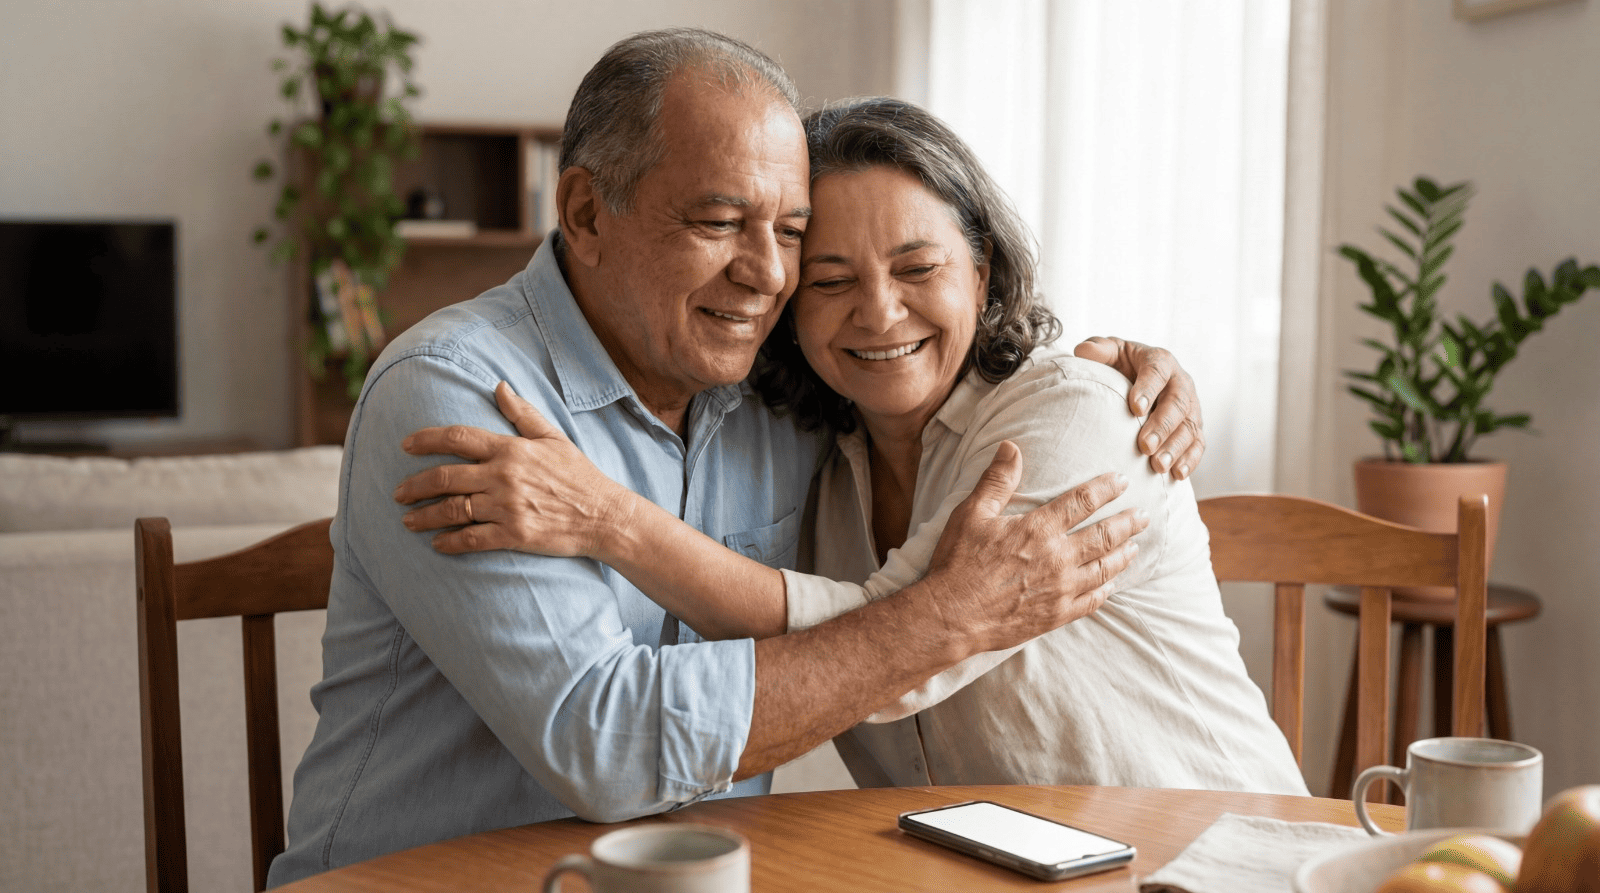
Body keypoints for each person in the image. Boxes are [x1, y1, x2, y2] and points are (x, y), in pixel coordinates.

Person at [269, 29, 1200, 886]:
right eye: (719, 221)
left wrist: (1124, 368)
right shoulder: (455, 394)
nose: (769, 275)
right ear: (587, 212)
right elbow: (610, 744)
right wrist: (950, 615)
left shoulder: (777, 395)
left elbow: (912, 335)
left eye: (793, 234)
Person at [396, 96, 1306, 795]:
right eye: (830, 280)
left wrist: (608, 519)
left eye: (919, 269)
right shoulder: (807, 458)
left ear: (981, 273)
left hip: (1215, 857)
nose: (879, 313)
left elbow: (901, 653)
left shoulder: (1082, 418)